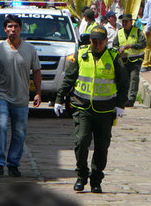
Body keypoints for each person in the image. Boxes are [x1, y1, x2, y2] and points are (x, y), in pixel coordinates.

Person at [53, 25, 128, 193]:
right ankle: (81, 175)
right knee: (81, 142)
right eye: (94, 41)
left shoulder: (114, 57)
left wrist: (120, 104)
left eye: (101, 42)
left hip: (105, 110)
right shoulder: (82, 54)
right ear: (90, 41)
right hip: (82, 107)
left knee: (102, 147)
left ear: (106, 41)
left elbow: (124, 83)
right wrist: (59, 98)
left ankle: (96, 179)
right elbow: (69, 78)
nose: (97, 45)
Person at [0, 14, 41, 177]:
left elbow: (37, 71)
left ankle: (13, 163)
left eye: (16, 26)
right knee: (1, 127)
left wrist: (38, 93)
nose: (13, 29)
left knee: (19, 132)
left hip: (22, 98)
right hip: (3, 96)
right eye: (10, 26)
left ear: (21, 29)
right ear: (5, 29)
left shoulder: (30, 50)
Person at [113, 14, 146, 107]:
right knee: (124, 79)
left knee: (134, 78)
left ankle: (131, 99)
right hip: (124, 60)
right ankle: (124, 98)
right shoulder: (119, 33)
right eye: (123, 21)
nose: (124, 23)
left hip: (136, 60)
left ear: (131, 22)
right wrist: (118, 49)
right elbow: (114, 45)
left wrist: (131, 46)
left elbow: (143, 44)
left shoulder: (138, 32)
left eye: (126, 21)